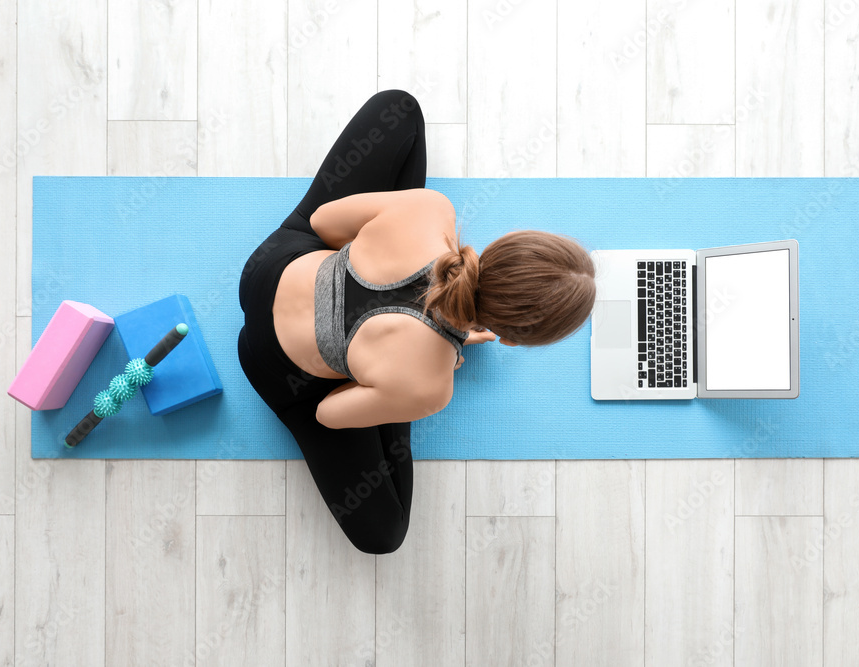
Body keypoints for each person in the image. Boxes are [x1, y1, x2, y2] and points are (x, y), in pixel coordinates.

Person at [237, 89, 595, 555]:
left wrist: (384, 246)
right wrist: (415, 381)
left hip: (265, 269)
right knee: (384, 535)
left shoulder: (432, 209)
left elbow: (323, 222)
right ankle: (389, 391)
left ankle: (389, 380)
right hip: (269, 366)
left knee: (398, 109)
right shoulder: (431, 390)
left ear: (508, 243)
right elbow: (327, 414)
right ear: (508, 340)